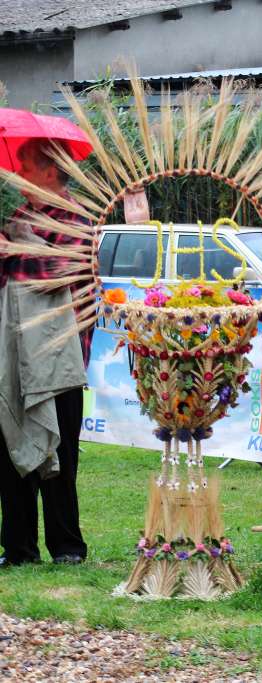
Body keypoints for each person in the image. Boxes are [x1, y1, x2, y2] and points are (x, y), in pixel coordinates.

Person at [0, 138, 91, 568]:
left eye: (25, 167)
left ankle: (67, 547)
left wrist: (15, 248)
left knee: (60, 453)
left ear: (51, 171)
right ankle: (18, 549)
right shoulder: (21, 215)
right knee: (12, 443)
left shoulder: (75, 217)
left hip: (58, 357)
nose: (17, 176)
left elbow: (58, 274)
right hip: (16, 352)